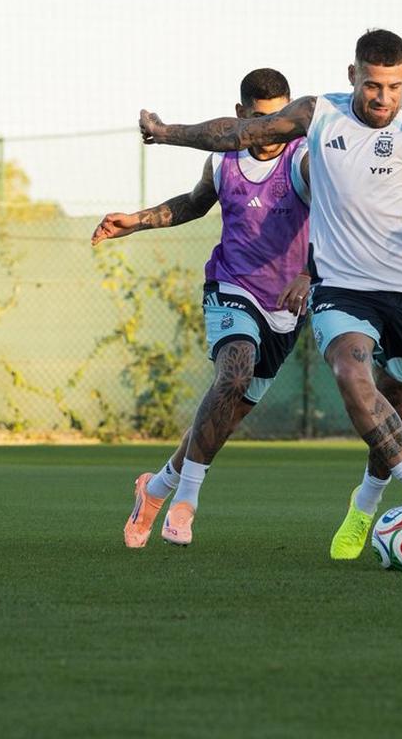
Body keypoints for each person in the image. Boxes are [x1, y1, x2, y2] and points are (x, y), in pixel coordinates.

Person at [139, 29, 402, 559]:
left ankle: (364, 504)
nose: (383, 97)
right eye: (373, 85)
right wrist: (167, 132)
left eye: (394, 86)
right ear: (353, 75)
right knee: (351, 375)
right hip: (341, 289)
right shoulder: (318, 115)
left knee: (398, 407)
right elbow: (240, 132)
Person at [93, 68, 311, 548]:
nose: (271, 131)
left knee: (223, 418)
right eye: (260, 120)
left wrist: (309, 272)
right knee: (234, 372)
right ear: (240, 115)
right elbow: (193, 204)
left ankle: (155, 490)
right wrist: (137, 221)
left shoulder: (304, 158)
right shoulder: (224, 160)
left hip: (286, 304)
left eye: (280, 120)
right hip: (231, 285)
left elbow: (336, 218)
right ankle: (186, 502)